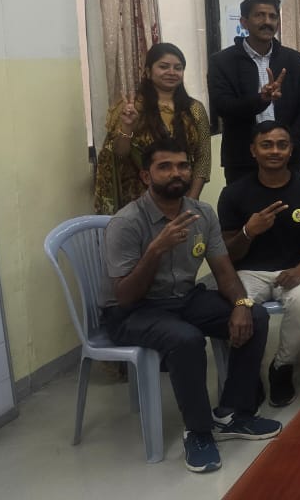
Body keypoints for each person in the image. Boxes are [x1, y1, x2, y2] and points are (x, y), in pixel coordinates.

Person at [100, 138, 278, 474]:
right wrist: (156, 250)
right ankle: (198, 432)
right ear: (146, 176)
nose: (176, 173)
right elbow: (124, 295)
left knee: (255, 314)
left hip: (183, 298)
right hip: (132, 311)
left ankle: (233, 413)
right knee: (186, 339)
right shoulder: (126, 223)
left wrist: (241, 303)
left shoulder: (201, 213)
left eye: (182, 166)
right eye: (165, 167)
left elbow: (224, 271)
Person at [216, 122, 300, 407]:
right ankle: (247, 371)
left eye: (282, 145)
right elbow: (227, 253)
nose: (275, 151)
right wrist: (248, 231)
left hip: (296, 269)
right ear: (253, 151)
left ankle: (281, 367)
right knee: (236, 308)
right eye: (266, 145)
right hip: (248, 272)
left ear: (291, 150)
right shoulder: (234, 194)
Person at [94, 43, 212, 214]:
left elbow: (203, 157)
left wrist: (191, 201)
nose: (171, 72)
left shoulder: (195, 109)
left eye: (178, 68)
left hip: (181, 194)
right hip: (139, 200)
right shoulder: (131, 107)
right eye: (164, 67)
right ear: (148, 72)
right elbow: (118, 155)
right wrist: (127, 126)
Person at [208, 0, 300, 184]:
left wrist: (287, 145)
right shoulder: (222, 61)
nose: (267, 22)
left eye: (272, 16)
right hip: (242, 159)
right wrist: (260, 100)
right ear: (244, 22)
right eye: (259, 15)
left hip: (290, 159)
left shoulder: (293, 60)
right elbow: (222, 106)